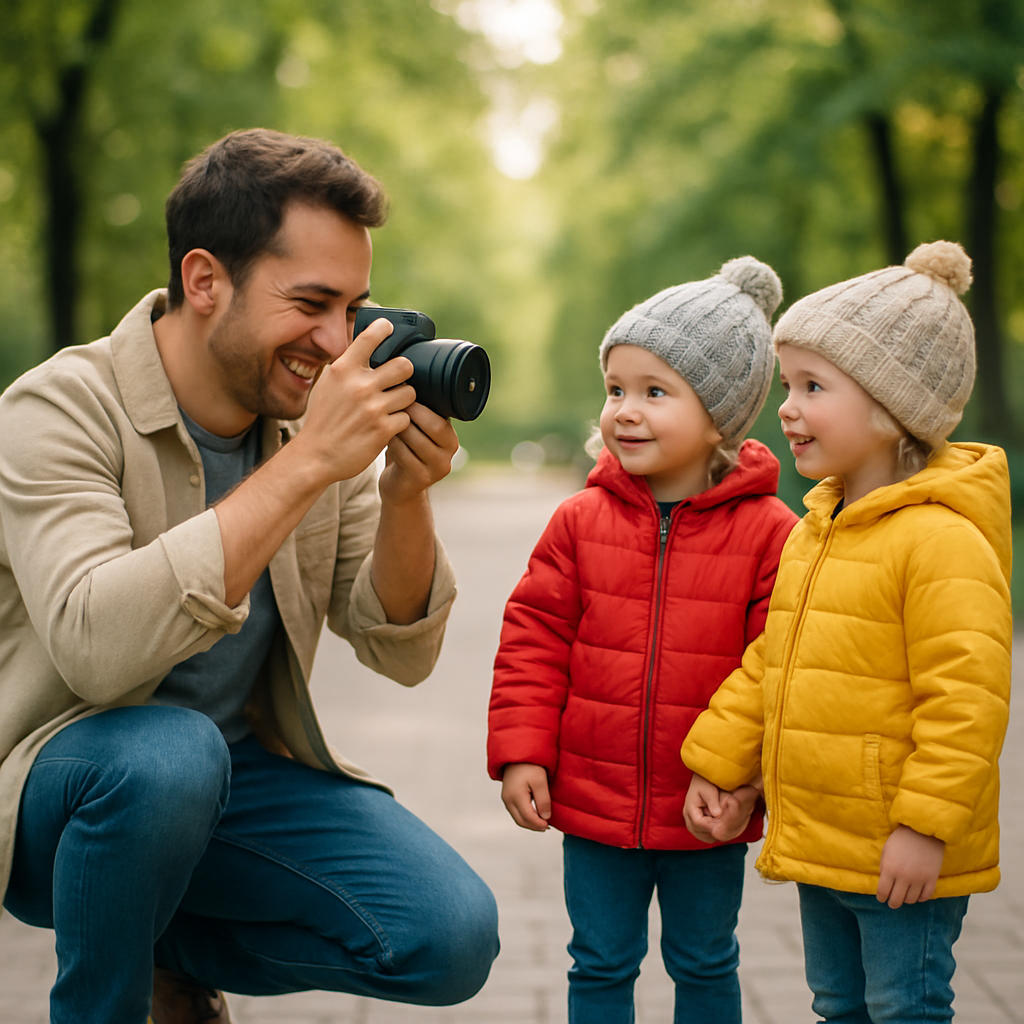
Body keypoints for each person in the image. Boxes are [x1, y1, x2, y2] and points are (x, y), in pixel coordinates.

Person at [0, 128, 499, 1024]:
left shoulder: (306, 424)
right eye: (311, 302)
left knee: (446, 935)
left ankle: (160, 949)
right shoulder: (57, 408)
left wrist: (408, 497)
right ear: (204, 282)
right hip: (55, 787)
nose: (338, 339)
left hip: (233, 782)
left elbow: (401, 655)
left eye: (353, 306)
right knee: (166, 754)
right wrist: (307, 464)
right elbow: (95, 653)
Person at [682, 241, 1012, 1024]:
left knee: (905, 1007)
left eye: (812, 386)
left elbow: (966, 701)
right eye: (787, 384)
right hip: (826, 836)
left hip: (901, 848)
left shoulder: (941, 539)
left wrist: (925, 827)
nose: (786, 407)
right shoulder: (817, 527)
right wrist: (723, 763)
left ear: (892, 407)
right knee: (839, 1005)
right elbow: (775, 662)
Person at [487, 258, 799, 1023]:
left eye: (656, 392)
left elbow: (779, 668)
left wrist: (746, 778)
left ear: (721, 416)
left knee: (704, 962)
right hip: (593, 799)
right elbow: (534, 637)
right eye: (617, 389)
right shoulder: (578, 521)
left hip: (707, 806)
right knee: (597, 962)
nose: (624, 410)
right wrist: (523, 750)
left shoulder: (771, 535)